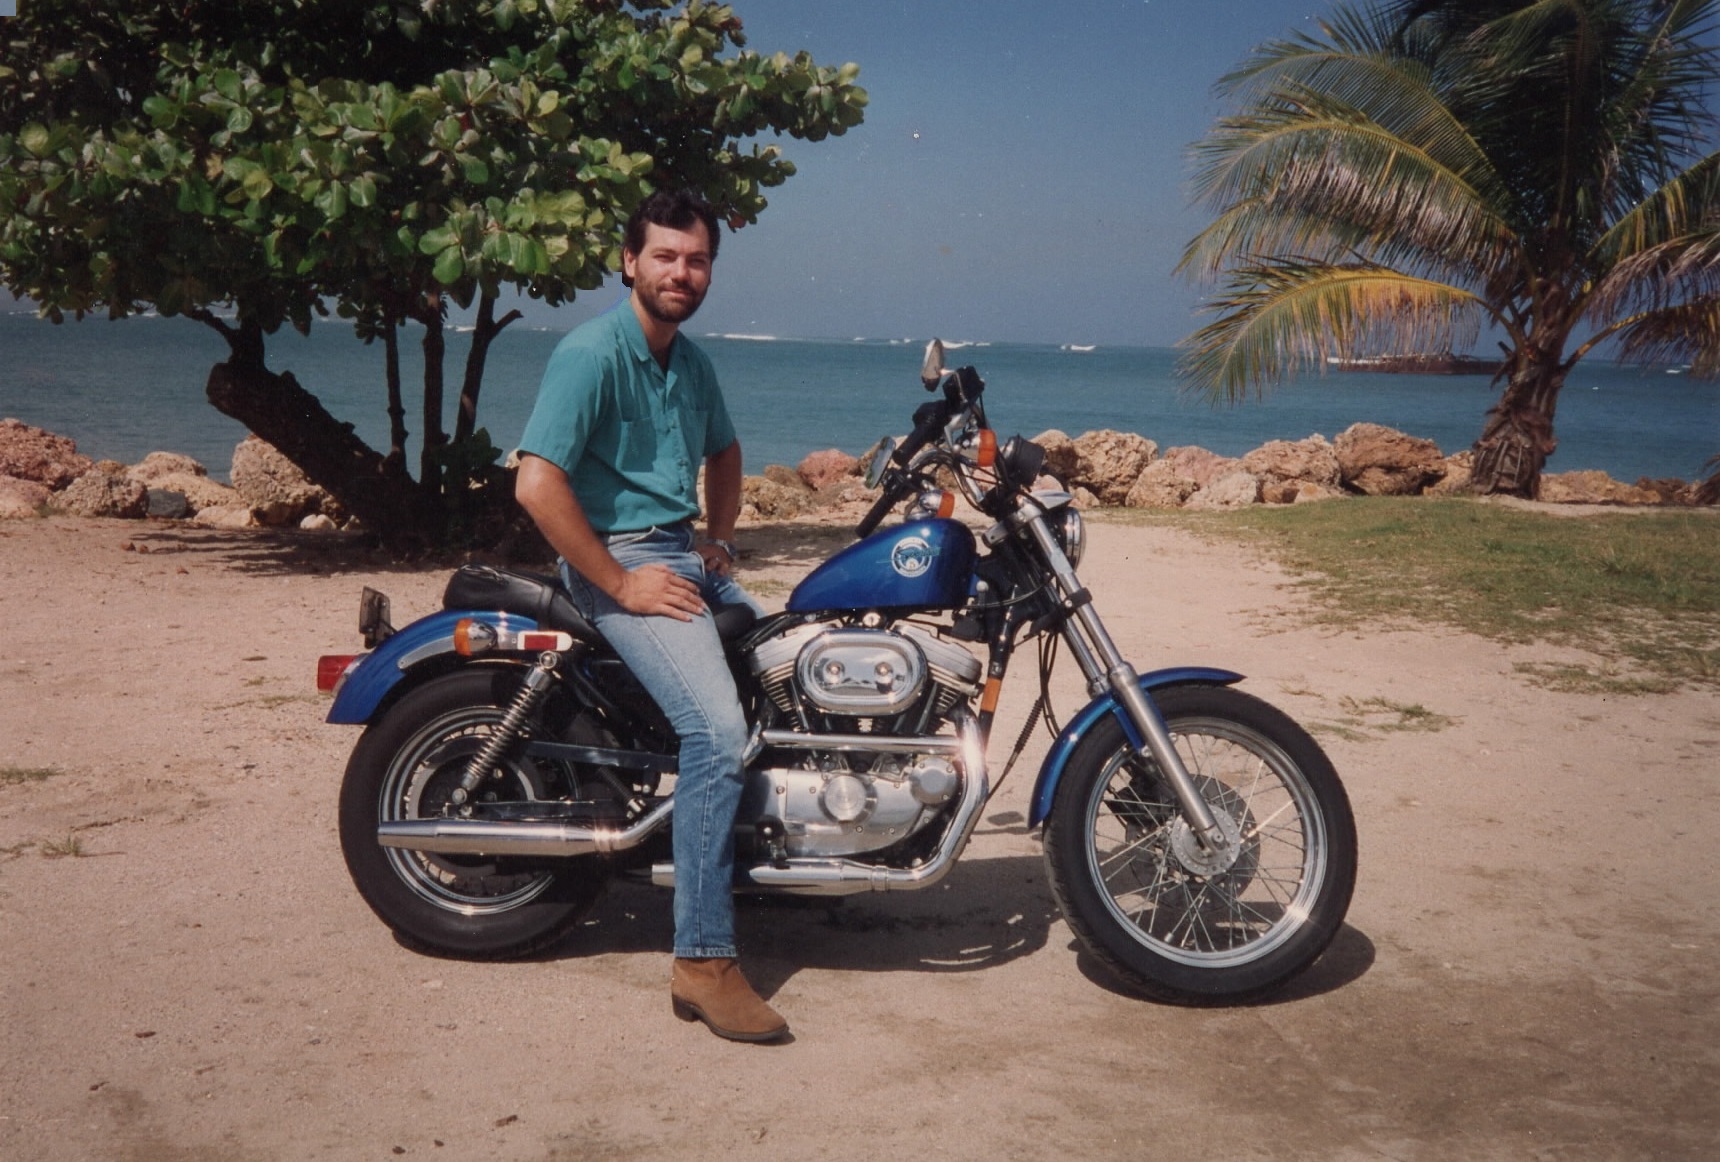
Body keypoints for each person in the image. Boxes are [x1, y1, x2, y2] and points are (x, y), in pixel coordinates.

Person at [514, 189, 787, 1044]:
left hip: (678, 550)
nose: (682, 271)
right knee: (716, 733)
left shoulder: (691, 362)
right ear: (629, 261)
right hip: (621, 562)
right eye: (666, 256)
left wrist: (721, 538)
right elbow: (535, 481)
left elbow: (727, 448)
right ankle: (703, 961)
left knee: (785, 668)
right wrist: (623, 583)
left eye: (697, 259)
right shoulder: (592, 353)